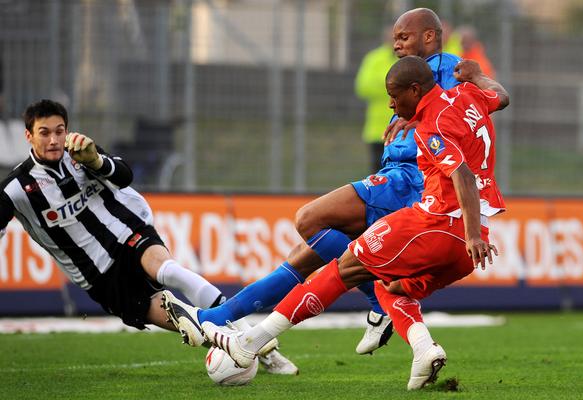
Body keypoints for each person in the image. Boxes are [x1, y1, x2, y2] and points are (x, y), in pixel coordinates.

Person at [165, 56, 509, 390]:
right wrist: (477, 75)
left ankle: (248, 343)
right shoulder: (467, 94)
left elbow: (462, 174)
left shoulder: (433, 125)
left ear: (415, 90)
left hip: (436, 224)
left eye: (394, 96)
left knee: (341, 269)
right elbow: (501, 96)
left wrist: (472, 235)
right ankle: (424, 350)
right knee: (390, 287)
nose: (390, 105)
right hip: (468, 244)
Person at [170, 8, 462, 357]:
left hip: (413, 179)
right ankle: (215, 318)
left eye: (404, 37)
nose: (396, 44)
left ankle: (377, 299)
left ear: (429, 36)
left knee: (309, 220)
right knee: (307, 255)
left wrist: (437, 108)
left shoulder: (452, 69)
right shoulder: (407, 71)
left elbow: (476, 106)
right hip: (396, 171)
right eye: (395, 37)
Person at [0, 99, 297, 375]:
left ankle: (261, 344)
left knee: (169, 270)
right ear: (29, 136)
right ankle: (242, 345)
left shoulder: (81, 153)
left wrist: (96, 161)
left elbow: (124, 176)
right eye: (44, 133)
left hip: (128, 231)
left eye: (59, 131)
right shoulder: (15, 188)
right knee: (188, 325)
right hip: (99, 275)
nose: (54, 140)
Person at [354, 24, 397, 173]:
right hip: (378, 130)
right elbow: (363, 87)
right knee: (378, 175)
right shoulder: (374, 58)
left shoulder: (409, 58)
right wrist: (394, 86)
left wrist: (383, 84)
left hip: (402, 129)